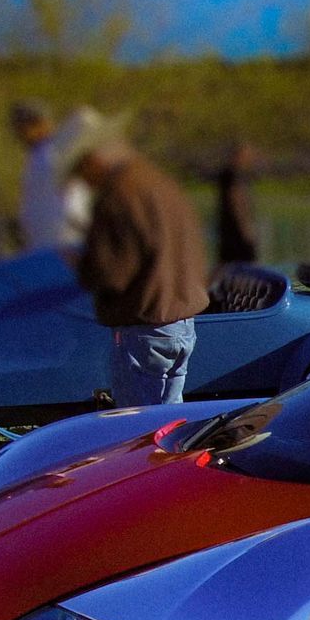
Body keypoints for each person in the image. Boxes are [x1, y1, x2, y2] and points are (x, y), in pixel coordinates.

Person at [57, 108, 209, 407]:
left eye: (81, 171)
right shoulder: (158, 182)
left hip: (144, 324)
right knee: (169, 418)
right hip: (181, 319)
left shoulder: (118, 196)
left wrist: (78, 266)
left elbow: (111, 272)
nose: (84, 182)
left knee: (137, 426)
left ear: (93, 160)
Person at [11, 100, 91, 252]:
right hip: (42, 246)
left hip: (66, 242)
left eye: (26, 125)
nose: (21, 133)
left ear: (43, 123)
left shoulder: (58, 149)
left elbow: (84, 117)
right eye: (19, 127)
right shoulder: (35, 156)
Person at [214, 142, 260, 265]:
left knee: (226, 261)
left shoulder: (230, 175)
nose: (252, 158)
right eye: (249, 154)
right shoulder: (235, 176)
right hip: (235, 231)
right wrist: (246, 228)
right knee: (242, 262)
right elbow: (236, 200)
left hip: (228, 229)